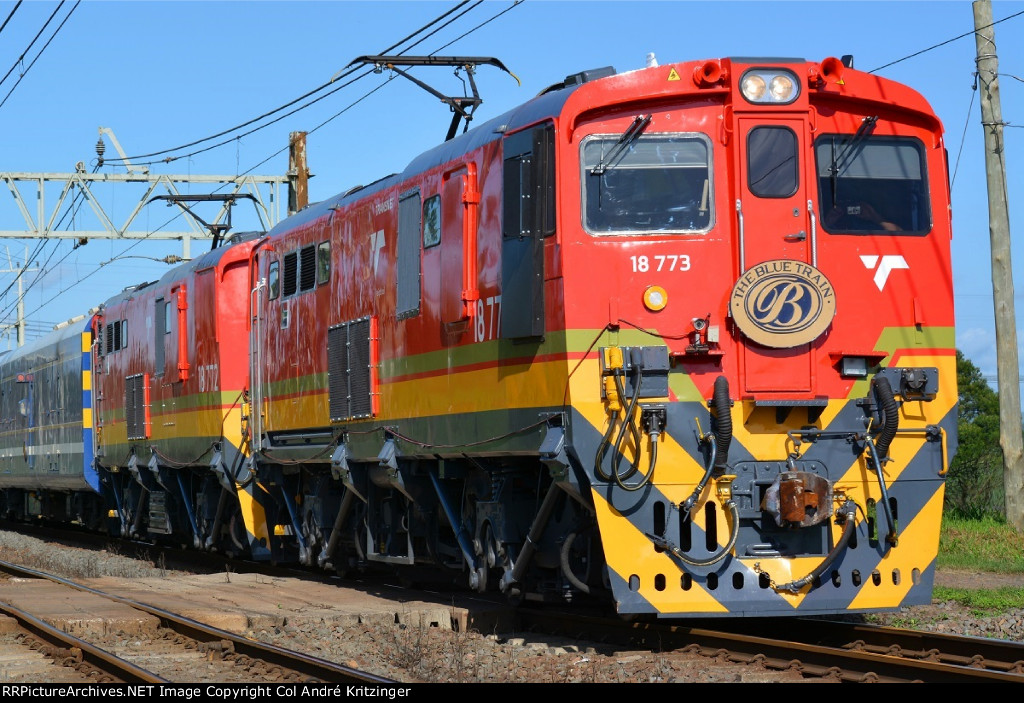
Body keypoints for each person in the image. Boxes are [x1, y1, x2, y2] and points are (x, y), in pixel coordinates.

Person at [824, 200, 901, 231]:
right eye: (847, 208)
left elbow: (899, 232)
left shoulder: (871, 225)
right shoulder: (833, 225)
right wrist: (829, 220)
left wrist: (873, 216)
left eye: (857, 208)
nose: (852, 210)